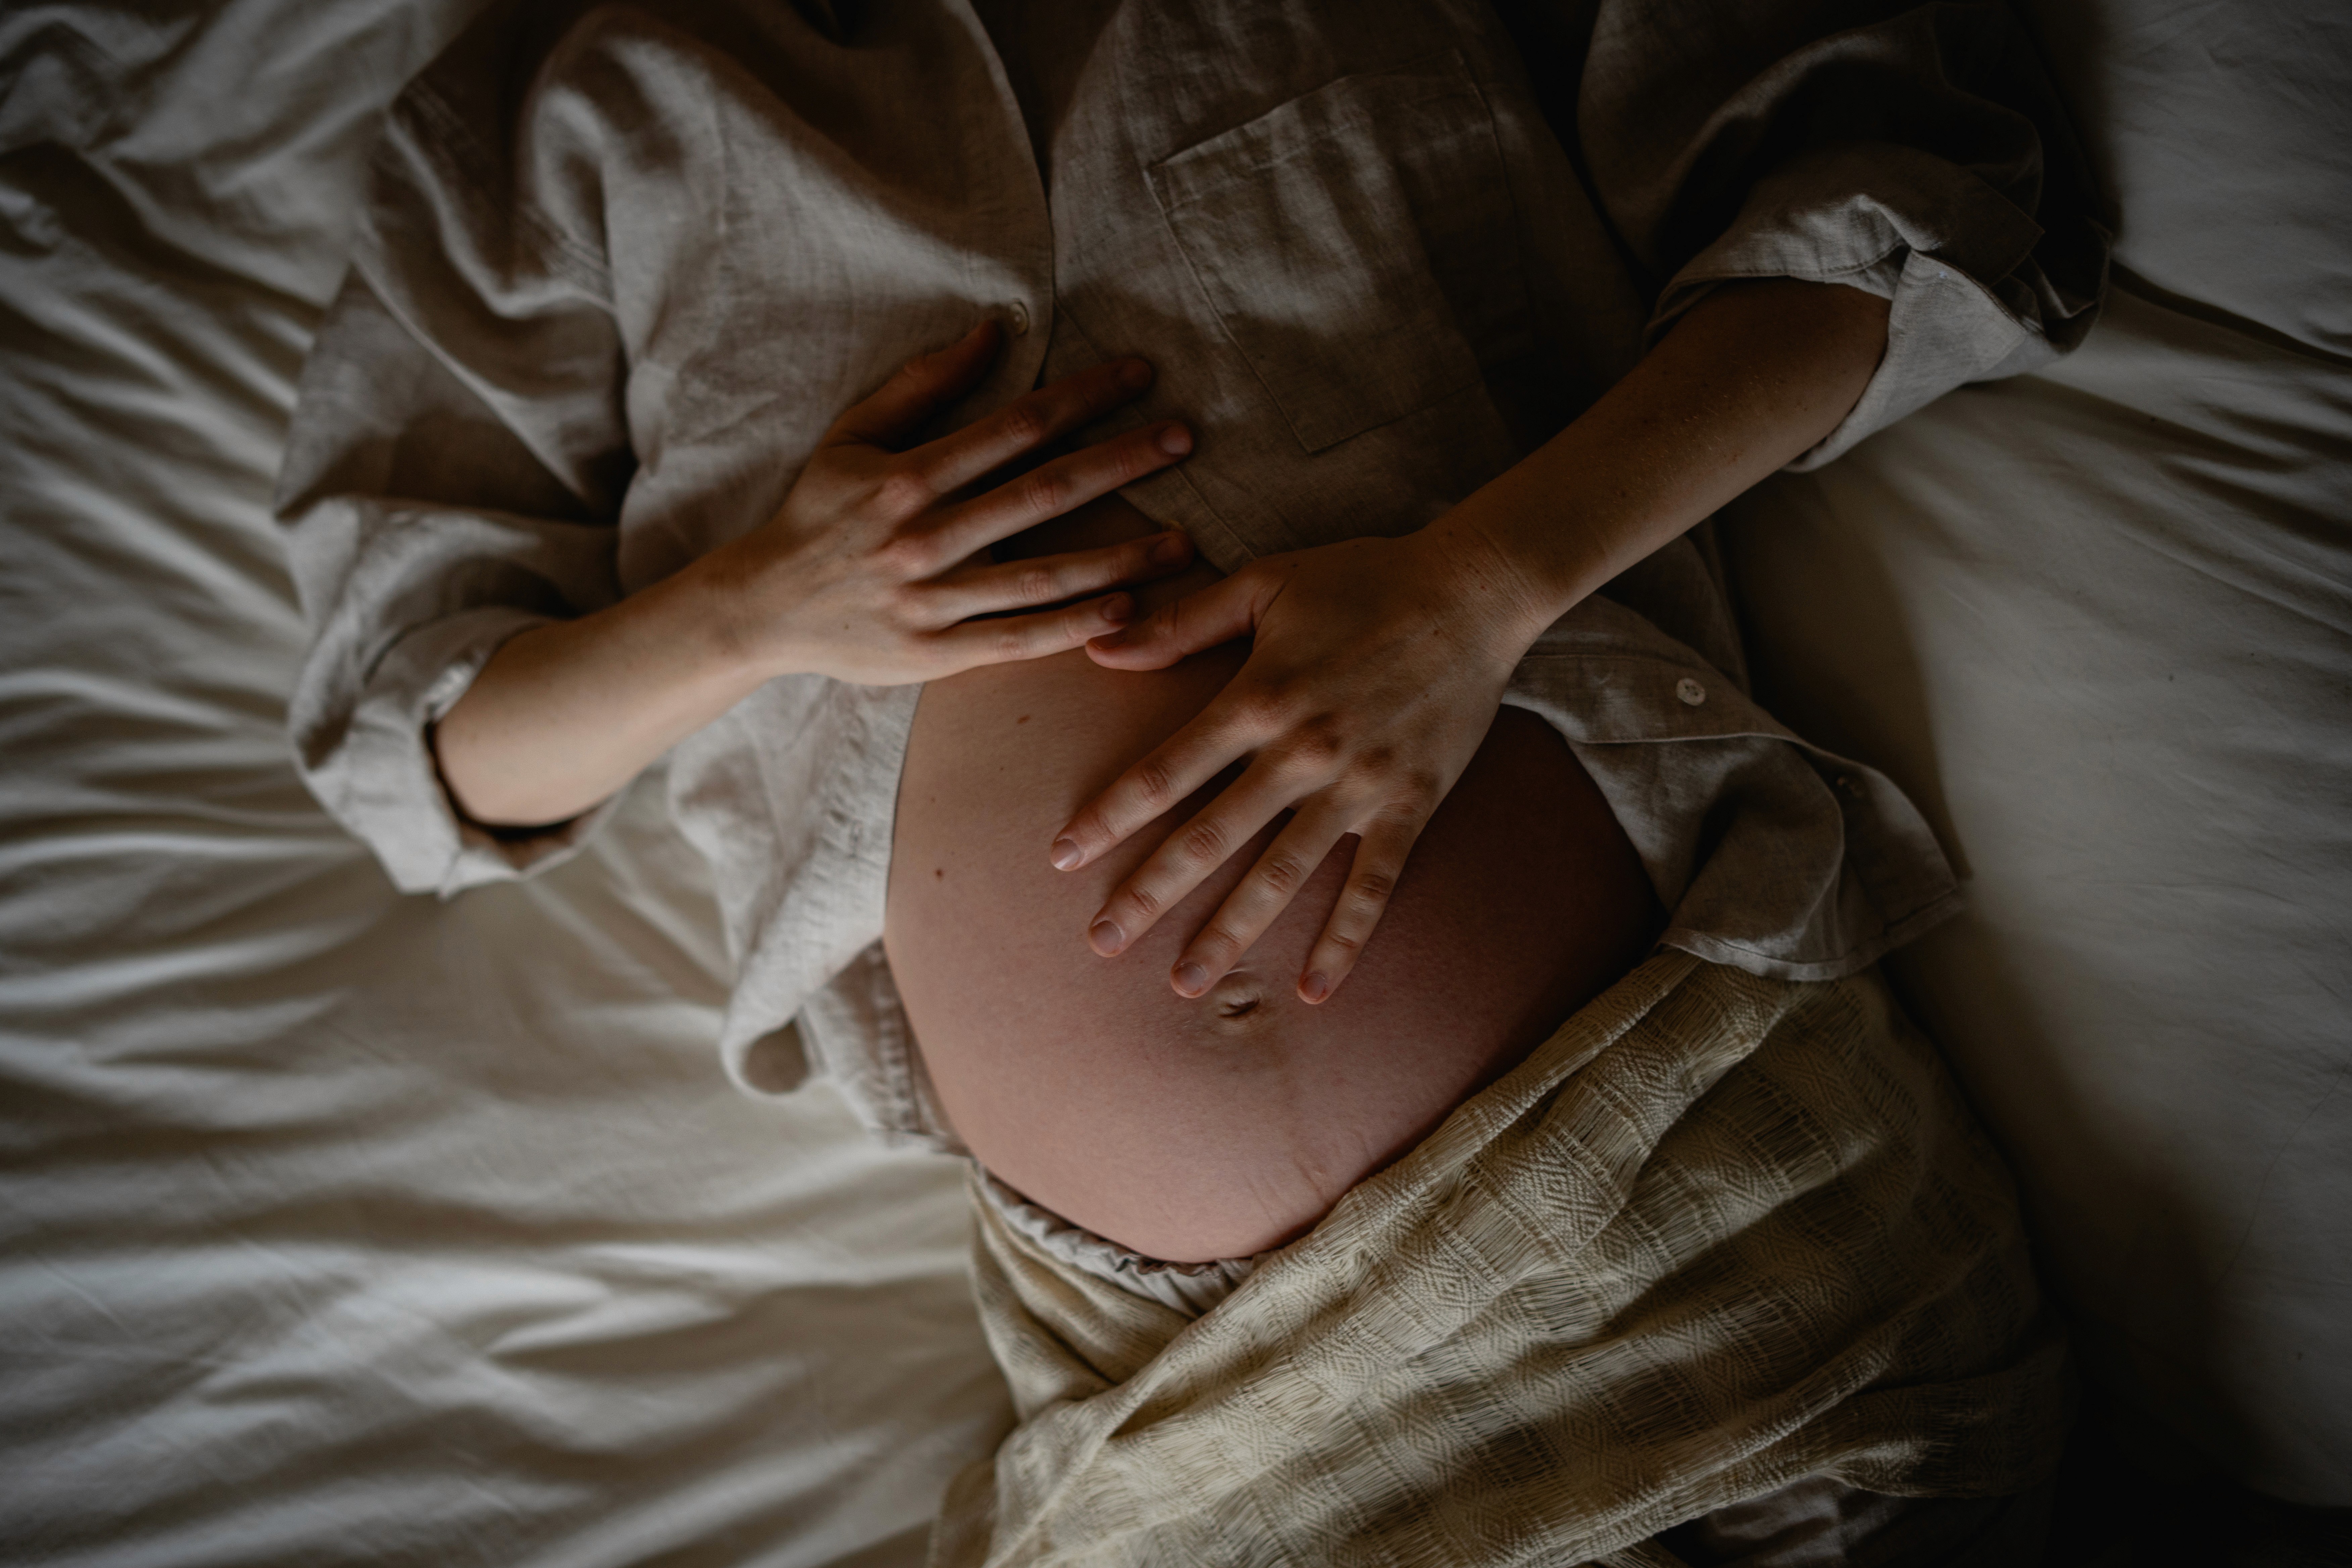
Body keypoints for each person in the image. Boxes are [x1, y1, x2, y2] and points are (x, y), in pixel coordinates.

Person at [278, 0, 2107, 1560]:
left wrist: (1482, 590)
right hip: (1183, 1383)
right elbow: (415, 750)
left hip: (1708, 1176)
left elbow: (1904, 228)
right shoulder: (564, 86)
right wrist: (750, 608)